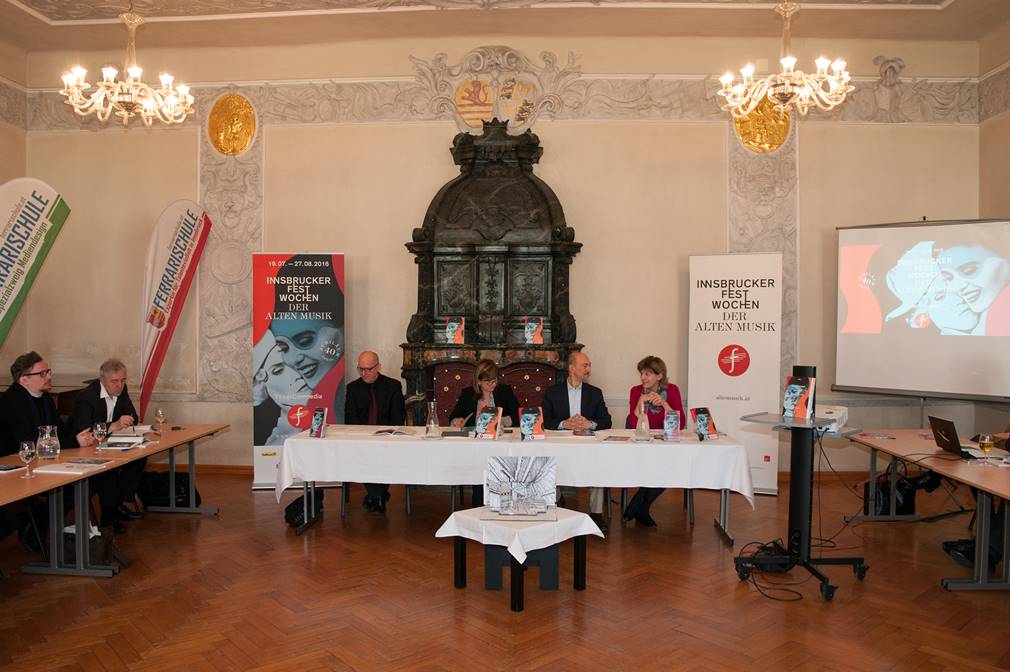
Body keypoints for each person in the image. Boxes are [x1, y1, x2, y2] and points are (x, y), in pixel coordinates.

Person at [269, 254, 346, 424]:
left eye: (304, 341)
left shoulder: (348, 395)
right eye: (284, 348)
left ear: (341, 327)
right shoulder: (313, 405)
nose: (292, 359)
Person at [69, 358, 144, 532]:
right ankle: (109, 518)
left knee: (138, 458)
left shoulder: (121, 390)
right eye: (115, 381)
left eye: (123, 380)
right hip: (83, 447)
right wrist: (113, 425)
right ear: (102, 380)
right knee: (108, 470)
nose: (120, 385)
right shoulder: (86, 397)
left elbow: (133, 415)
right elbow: (83, 429)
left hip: (109, 443)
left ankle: (118, 503)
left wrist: (125, 421)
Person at [542, 351, 612, 530]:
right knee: (548, 460)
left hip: (587, 446)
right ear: (572, 368)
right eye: (585, 365)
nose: (589, 369)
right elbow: (544, 421)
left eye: (589, 365)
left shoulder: (595, 393)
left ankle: (596, 514)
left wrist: (591, 423)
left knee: (600, 465)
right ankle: (556, 500)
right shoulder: (552, 392)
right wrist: (563, 423)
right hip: (561, 446)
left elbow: (607, 421)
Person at [621, 356, 685, 527]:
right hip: (642, 446)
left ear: (659, 375)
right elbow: (634, 425)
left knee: (670, 467)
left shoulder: (672, 390)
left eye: (648, 374)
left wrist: (664, 404)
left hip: (665, 446)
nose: (643, 378)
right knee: (659, 466)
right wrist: (641, 402)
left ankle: (639, 504)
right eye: (641, 373)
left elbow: (681, 424)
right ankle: (641, 508)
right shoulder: (636, 391)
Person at [449, 359, 520, 508]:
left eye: (494, 380)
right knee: (481, 471)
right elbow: (453, 417)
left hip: (501, 447)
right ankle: (479, 507)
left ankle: (504, 504)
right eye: (488, 382)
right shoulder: (468, 394)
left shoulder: (504, 391)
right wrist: (457, 421)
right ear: (478, 381)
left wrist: (501, 421)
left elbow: (518, 416)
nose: (492, 385)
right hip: (476, 447)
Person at [344, 351, 405, 514]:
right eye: (361, 369)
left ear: (378, 367)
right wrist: (365, 436)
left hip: (387, 439)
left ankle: (375, 496)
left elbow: (398, 418)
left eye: (369, 369)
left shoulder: (393, 386)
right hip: (361, 439)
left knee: (382, 456)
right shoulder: (353, 388)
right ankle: (378, 496)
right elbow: (350, 418)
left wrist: (384, 435)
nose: (364, 373)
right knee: (365, 455)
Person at [253, 331, 312, 446]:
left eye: (297, 363)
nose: (297, 374)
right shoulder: (276, 446)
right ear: (261, 383)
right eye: (278, 371)